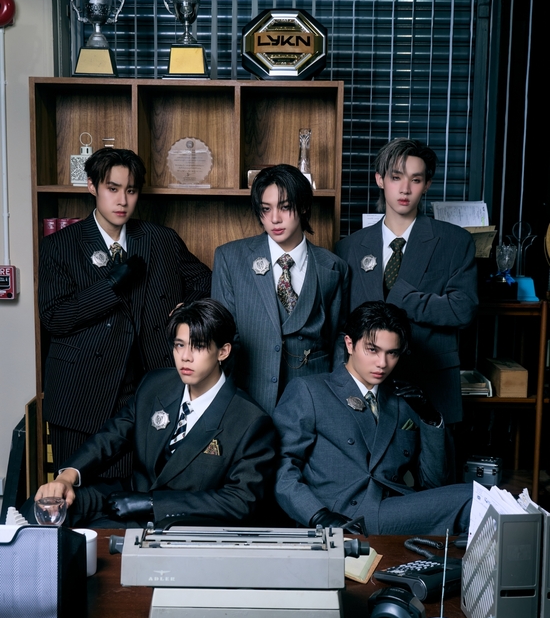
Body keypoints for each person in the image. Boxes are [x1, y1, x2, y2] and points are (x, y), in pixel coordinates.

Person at [39, 147, 211, 477]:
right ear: (92, 186)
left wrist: (186, 309)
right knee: (75, 490)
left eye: (130, 191)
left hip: (147, 390)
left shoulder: (162, 240)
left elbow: (206, 280)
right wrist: (111, 285)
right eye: (112, 188)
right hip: (80, 394)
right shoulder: (59, 245)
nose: (122, 201)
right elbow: (55, 318)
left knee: (139, 493)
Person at [31, 300, 276, 528]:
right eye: (179, 345)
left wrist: (152, 505)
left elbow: (240, 501)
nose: (185, 357)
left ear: (223, 351)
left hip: (183, 523)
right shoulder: (155, 384)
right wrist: (67, 476)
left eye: (198, 346)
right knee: (40, 508)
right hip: (129, 497)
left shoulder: (250, 420)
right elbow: (112, 436)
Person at [274, 302, 472, 536]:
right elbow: (282, 469)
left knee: (479, 498)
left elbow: (434, 483)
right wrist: (318, 515)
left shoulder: (404, 400)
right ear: (349, 344)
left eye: (392, 353)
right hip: (342, 515)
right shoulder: (310, 391)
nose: (382, 363)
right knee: (473, 497)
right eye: (372, 350)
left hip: (392, 510)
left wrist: (430, 419)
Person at [335, 138, 478, 425]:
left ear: (426, 185)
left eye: (416, 179)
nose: (405, 189)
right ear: (380, 179)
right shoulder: (349, 247)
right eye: (396, 177)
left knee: (434, 454)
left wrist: (404, 299)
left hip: (430, 379)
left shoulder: (454, 241)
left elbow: (463, 309)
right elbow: (340, 323)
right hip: (366, 383)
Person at [211, 164, 349, 415]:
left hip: (313, 399)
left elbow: (338, 339)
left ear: (304, 206)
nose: (274, 219)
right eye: (266, 209)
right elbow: (223, 336)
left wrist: (338, 395)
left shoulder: (334, 267)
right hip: (247, 399)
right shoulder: (230, 258)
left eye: (285, 207)